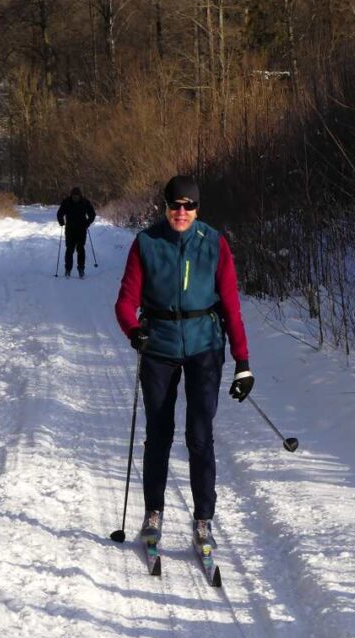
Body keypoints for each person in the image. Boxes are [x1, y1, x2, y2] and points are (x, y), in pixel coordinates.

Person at [114, 175, 254, 554]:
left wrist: (243, 362)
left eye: (188, 205)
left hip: (204, 348)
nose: (181, 212)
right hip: (158, 348)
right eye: (175, 205)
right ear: (165, 206)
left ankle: (203, 520)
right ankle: (153, 513)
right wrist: (134, 330)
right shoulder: (147, 242)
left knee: (199, 434)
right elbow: (125, 302)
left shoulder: (214, 244)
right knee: (159, 434)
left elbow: (231, 307)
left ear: (197, 208)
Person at [56, 187, 96, 277]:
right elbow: (60, 213)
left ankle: (81, 269)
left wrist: (88, 222)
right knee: (69, 249)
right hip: (70, 229)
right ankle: (68, 269)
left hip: (81, 229)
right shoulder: (66, 202)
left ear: (80, 196)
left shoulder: (85, 202)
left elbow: (92, 214)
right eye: (74, 196)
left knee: (80, 249)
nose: (75, 198)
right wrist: (61, 221)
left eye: (77, 196)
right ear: (71, 195)